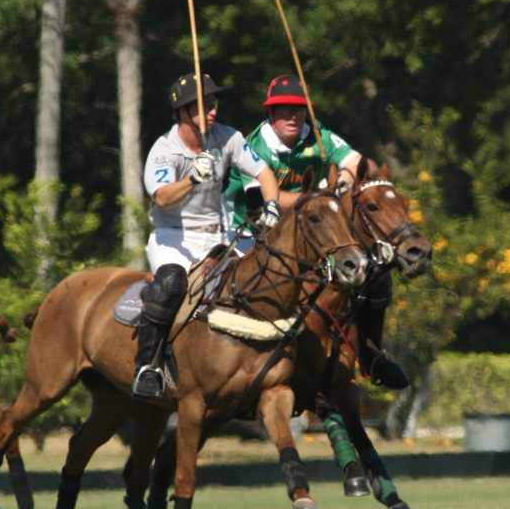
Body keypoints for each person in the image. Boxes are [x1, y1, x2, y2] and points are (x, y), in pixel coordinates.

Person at [223, 74, 409, 390]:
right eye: (284, 109)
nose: (293, 116)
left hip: (310, 232)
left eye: (298, 109)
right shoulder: (255, 145)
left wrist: (342, 183)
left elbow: (362, 163)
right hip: (252, 231)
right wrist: (320, 198)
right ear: (270, 113)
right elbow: (266, 200)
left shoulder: (318, 135)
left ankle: (371, 354)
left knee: (373, 271)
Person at [131, 71, 280, 400]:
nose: (212, 111)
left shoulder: (228, 137)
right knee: (171, 285)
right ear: (182, 112)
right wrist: (192, 179)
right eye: (203, 106)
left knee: (267, 272)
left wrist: (272, 205)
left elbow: (264, 172)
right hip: (174, 236)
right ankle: (148, 367)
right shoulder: (164, 150)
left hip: (219, 233)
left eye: (213, 104)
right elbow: (162, 198)